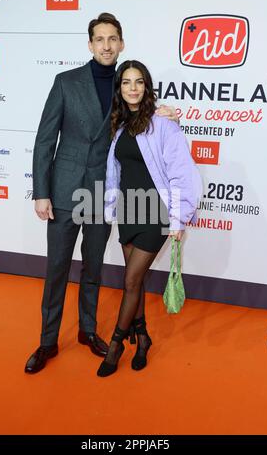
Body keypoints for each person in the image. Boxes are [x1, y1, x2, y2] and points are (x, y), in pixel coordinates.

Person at [25, 14, 178, 374]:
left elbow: (141, 114)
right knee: (57, 269)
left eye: (113, 39)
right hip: (64, 189)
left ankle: (88, 331)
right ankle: (47, 341)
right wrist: (41, 192)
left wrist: (162, 112)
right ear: (90, 44)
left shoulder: (125, 85)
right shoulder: (65, 82)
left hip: (101, 191)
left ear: (121, 43)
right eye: (100, 39)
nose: (107, 45)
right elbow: (45, 140)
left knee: (92, 267)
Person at [97, 60, 202, 377]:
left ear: (146, 87)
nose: (132, 88)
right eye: (126, 82)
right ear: (120, 89)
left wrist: (179, 218)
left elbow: (182, 173)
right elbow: (115, 172)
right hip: (130, 210)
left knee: (130, 280)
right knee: (136, 280)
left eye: (138, 82)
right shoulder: (118, 126)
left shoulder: (163, 125)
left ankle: (117, 344)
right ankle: (142, 338)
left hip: (156, 213)